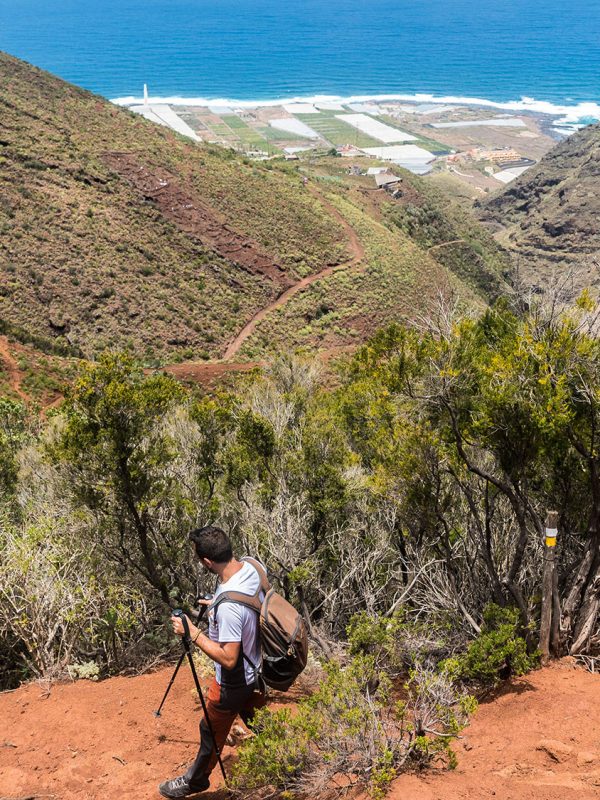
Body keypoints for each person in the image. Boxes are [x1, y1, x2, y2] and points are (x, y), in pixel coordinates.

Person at [159, 526, 268, 799]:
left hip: (235, 678)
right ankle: (286, 755)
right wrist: (217, 603)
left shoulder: (230, 606)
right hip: (257, 667)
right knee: (256, 717)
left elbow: (229, 659)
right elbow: (249, 605)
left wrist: (192, 633)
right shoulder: (253, 566)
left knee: (209, 728)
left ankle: (195, 781)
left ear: (207, 561)